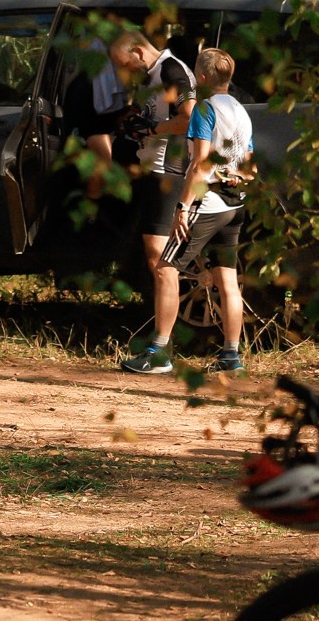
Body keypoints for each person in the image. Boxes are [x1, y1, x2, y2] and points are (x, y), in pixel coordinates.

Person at [67, 27, 194, 373]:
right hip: (152, 169)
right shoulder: (153, 76)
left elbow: (188, 118)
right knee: (155, 259)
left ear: (138, 51)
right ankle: (159, 346)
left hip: (169, 172)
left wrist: (152, 131)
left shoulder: (172, 71)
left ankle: (161, 351)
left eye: (128, 64)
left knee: (161, 261)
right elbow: (152, 114)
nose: (129, 71)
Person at [168, 46, 256, 373]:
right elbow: (250, 168)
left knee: (165, 269)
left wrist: (183, 205)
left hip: (208, 203)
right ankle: (231, 356)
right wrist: (234, 176)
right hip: (236, 204)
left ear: (202, 78)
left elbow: (200, 163)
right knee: (228, 282)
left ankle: (158, 351)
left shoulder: (204, 110)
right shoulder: (241, 112)